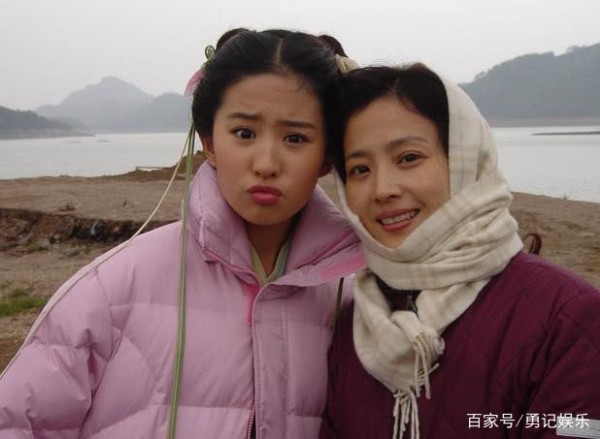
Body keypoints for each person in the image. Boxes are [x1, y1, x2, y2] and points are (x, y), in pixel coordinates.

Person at [0, 28, 365, 438]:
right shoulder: (111, 289)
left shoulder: (353, 300)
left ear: (326, 158)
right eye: (244, 133)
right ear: (209, 143)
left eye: (295, 138)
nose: (266, 163)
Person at [320, 64, 600, 439]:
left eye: (408, 158)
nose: (382, 189)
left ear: (465, 160)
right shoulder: (355, 324)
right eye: (359, 169)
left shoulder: (568, 318)